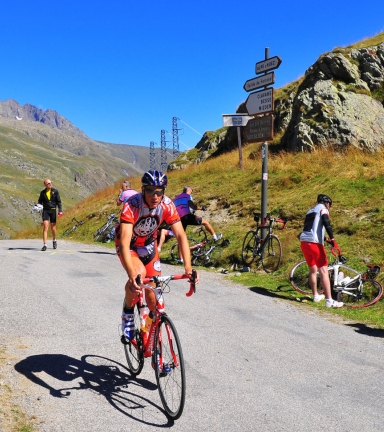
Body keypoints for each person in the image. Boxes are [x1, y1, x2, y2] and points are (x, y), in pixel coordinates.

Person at [115, 170, 198, 369]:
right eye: (150, 191)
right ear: (143, 190)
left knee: (155, 300)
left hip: (150, 248)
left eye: (159, 192)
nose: (155, 196)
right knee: (139, 275)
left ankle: (155, 350)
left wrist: (188, 267)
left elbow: (180, 236)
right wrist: (132, 275)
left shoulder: (167, 205)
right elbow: (125, 244)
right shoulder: (131, 206)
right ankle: (128, 313)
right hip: (129, 247)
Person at [299, 194, 343, 308]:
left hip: (304, 241)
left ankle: (315, 296)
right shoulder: (323, 209)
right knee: (323, 270)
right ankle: (329, 301)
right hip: (314, 244)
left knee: (313, 270)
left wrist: (325, 239)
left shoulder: (310, 211)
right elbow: (325, 222)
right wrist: (332, 238)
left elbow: (312, 228)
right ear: (327, 203)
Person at [38, 178, 63, 251]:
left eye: (51, 183)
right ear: (45, 185)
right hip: (45, 210)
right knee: (45, 226)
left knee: (53, 227)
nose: (50, 184)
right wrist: (38, 206)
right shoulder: (42, 193)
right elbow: (40, 201)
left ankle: (54, 240)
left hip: (53, 210)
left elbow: (59, 201)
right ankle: (45, 244)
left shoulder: (55, 191)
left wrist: (60, 210)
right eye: (48, 183)